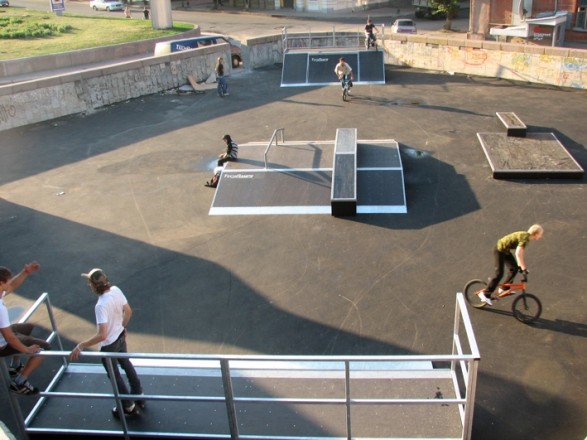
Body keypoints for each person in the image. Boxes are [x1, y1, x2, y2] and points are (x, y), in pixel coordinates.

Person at [70, 268, 144, 418]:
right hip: (120, 337)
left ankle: (128, 406)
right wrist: (122, 327)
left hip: (109, 345)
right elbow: (128, 311)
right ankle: (138, 393)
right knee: (126, 363)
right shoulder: (116, 290)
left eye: (90, 283)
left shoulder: (101, 305)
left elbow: (102, 335)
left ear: (95, 286)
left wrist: (81, 345)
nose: (89, 286)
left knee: (114, 375)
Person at [0, 262, 51, 396]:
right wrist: (26, 350)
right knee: (44, 347)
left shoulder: (0, 292)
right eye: (7, 281)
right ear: (0, 283)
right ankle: (19, 382)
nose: (9, 283)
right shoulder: (0, 309)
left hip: (4, 335)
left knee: (27, 327)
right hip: (2, 344)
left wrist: (25, 272)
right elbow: (9, 337)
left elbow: (12, 286)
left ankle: (15, 366)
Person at [477, 225, 544, 306]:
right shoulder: (525, 238)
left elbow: (519, 254)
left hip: (505, 251)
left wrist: (520, 267)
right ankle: (485, 294)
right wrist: (523, 268)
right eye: (541, 234)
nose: (541, 236)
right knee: (499, 274)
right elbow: (518, 253)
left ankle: (504, 288)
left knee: (514, 268)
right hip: (499, 250)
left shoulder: (526, 237)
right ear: (535, 233)